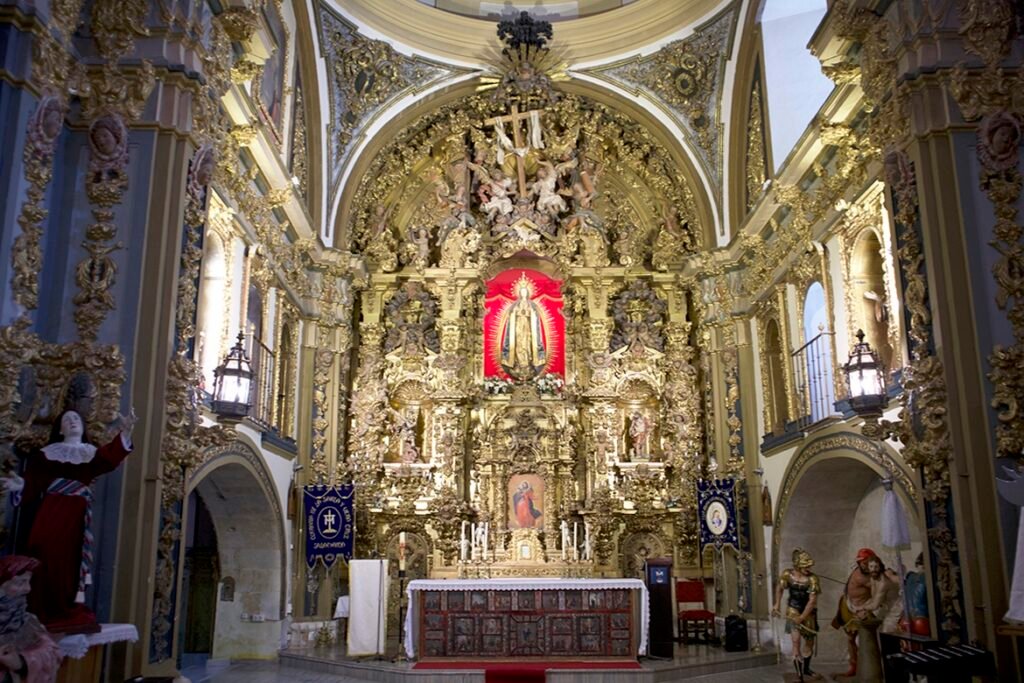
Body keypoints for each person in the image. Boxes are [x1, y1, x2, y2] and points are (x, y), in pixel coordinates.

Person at [3, 409, 135, 633]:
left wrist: (126, 431)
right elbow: (34, 481)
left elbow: (111, 457)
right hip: (51, 511)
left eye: (76, 419)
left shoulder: (90, 453)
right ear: (60, 429)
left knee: (70, 560)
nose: (72, 422)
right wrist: (20, 485)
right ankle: (40, 607)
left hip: (76, 515)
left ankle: (65, 606)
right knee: (43, 553)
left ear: (83, 427)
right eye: (67, 420)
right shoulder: (47, 453)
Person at [0, 556, 61, 683]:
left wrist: (21, 662)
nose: (28, 589)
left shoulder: (28, 622)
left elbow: (51, 652)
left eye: (28, 582)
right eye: (20, 582)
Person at [831, 547, 882, 678]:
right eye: (863, 563)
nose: (865, 566)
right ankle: (853, 666)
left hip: (863, 609)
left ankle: (870, 669)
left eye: (867, 563)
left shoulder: (873, 577)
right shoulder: (858, 571)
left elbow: (879, 592)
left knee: (867, 639)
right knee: (850, 639)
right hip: (848, 606)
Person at [773, 547, 821, 680]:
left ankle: (806, 668)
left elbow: (812, 602)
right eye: (805, 566)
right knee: (796, 641)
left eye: (809, 566)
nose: (809, 568)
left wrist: (802, 617)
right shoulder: (788, 575)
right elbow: (779, 588)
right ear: (798, 565)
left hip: (808, 612)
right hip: (793, 610)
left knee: (810, 642)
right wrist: (777, 603)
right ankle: (799, 674)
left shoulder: (812, 579)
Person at [500, 276, 547, 380]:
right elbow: (510, 318)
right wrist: (517, 314)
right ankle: (518, 363)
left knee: (527, 346)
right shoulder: (514, 305)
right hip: (517, 329)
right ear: (520, 293)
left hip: (529, 329)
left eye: (525, 292)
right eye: (522, 292)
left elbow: (536, 319)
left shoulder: (532, 305)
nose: (524, 294)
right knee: (519, 345)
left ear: (528, 293)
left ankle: (528, 363)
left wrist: (528, 314)